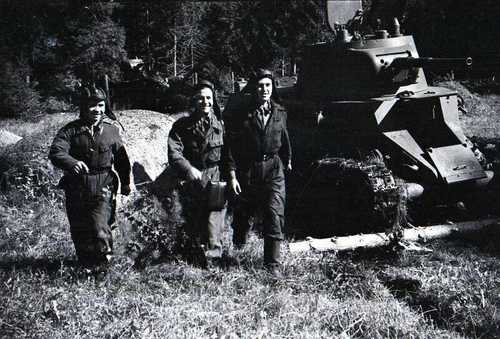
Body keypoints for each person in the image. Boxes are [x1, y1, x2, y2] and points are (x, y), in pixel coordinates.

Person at [49, 83, 131, 269]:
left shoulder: (112, 131)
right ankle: (86, 264)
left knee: (99, 226)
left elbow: (121, 159)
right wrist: (72, 163)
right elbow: (56, 152)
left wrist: (125, 183)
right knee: (80, 228)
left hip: (103, 183)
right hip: (77, 186)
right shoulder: (70, 131)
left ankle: (102, 267)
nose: (97, 109)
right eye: (92, 105)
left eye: (101, 105)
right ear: (83, 107)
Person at [225, 68, 292, 278]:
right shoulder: (242, 114)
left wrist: (288, 159)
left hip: (273, 169)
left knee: (274, 213)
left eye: (268, 86)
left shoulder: (280, 112)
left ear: (273, 88)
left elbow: (284, 137)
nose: (264, 89)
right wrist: (233, 174)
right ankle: (238, 246)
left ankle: (272, 266)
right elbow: (231, 146)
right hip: (248, 170)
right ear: (255, 88)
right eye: (261, 86)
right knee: (243, 213)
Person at [168, 80, 228, 266]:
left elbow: (228, 154)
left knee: (213, 220)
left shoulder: (220, 125)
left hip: (214, 177)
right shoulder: (182, 126)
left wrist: (230, 177)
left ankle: (213, 260)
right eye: (201, 98)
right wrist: (187, 169)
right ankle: (193, 256)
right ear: (194, 101)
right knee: (193, 221)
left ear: (214, 100)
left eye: (209, 98)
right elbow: (174, 152)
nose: (205, 102)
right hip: (192, 180)